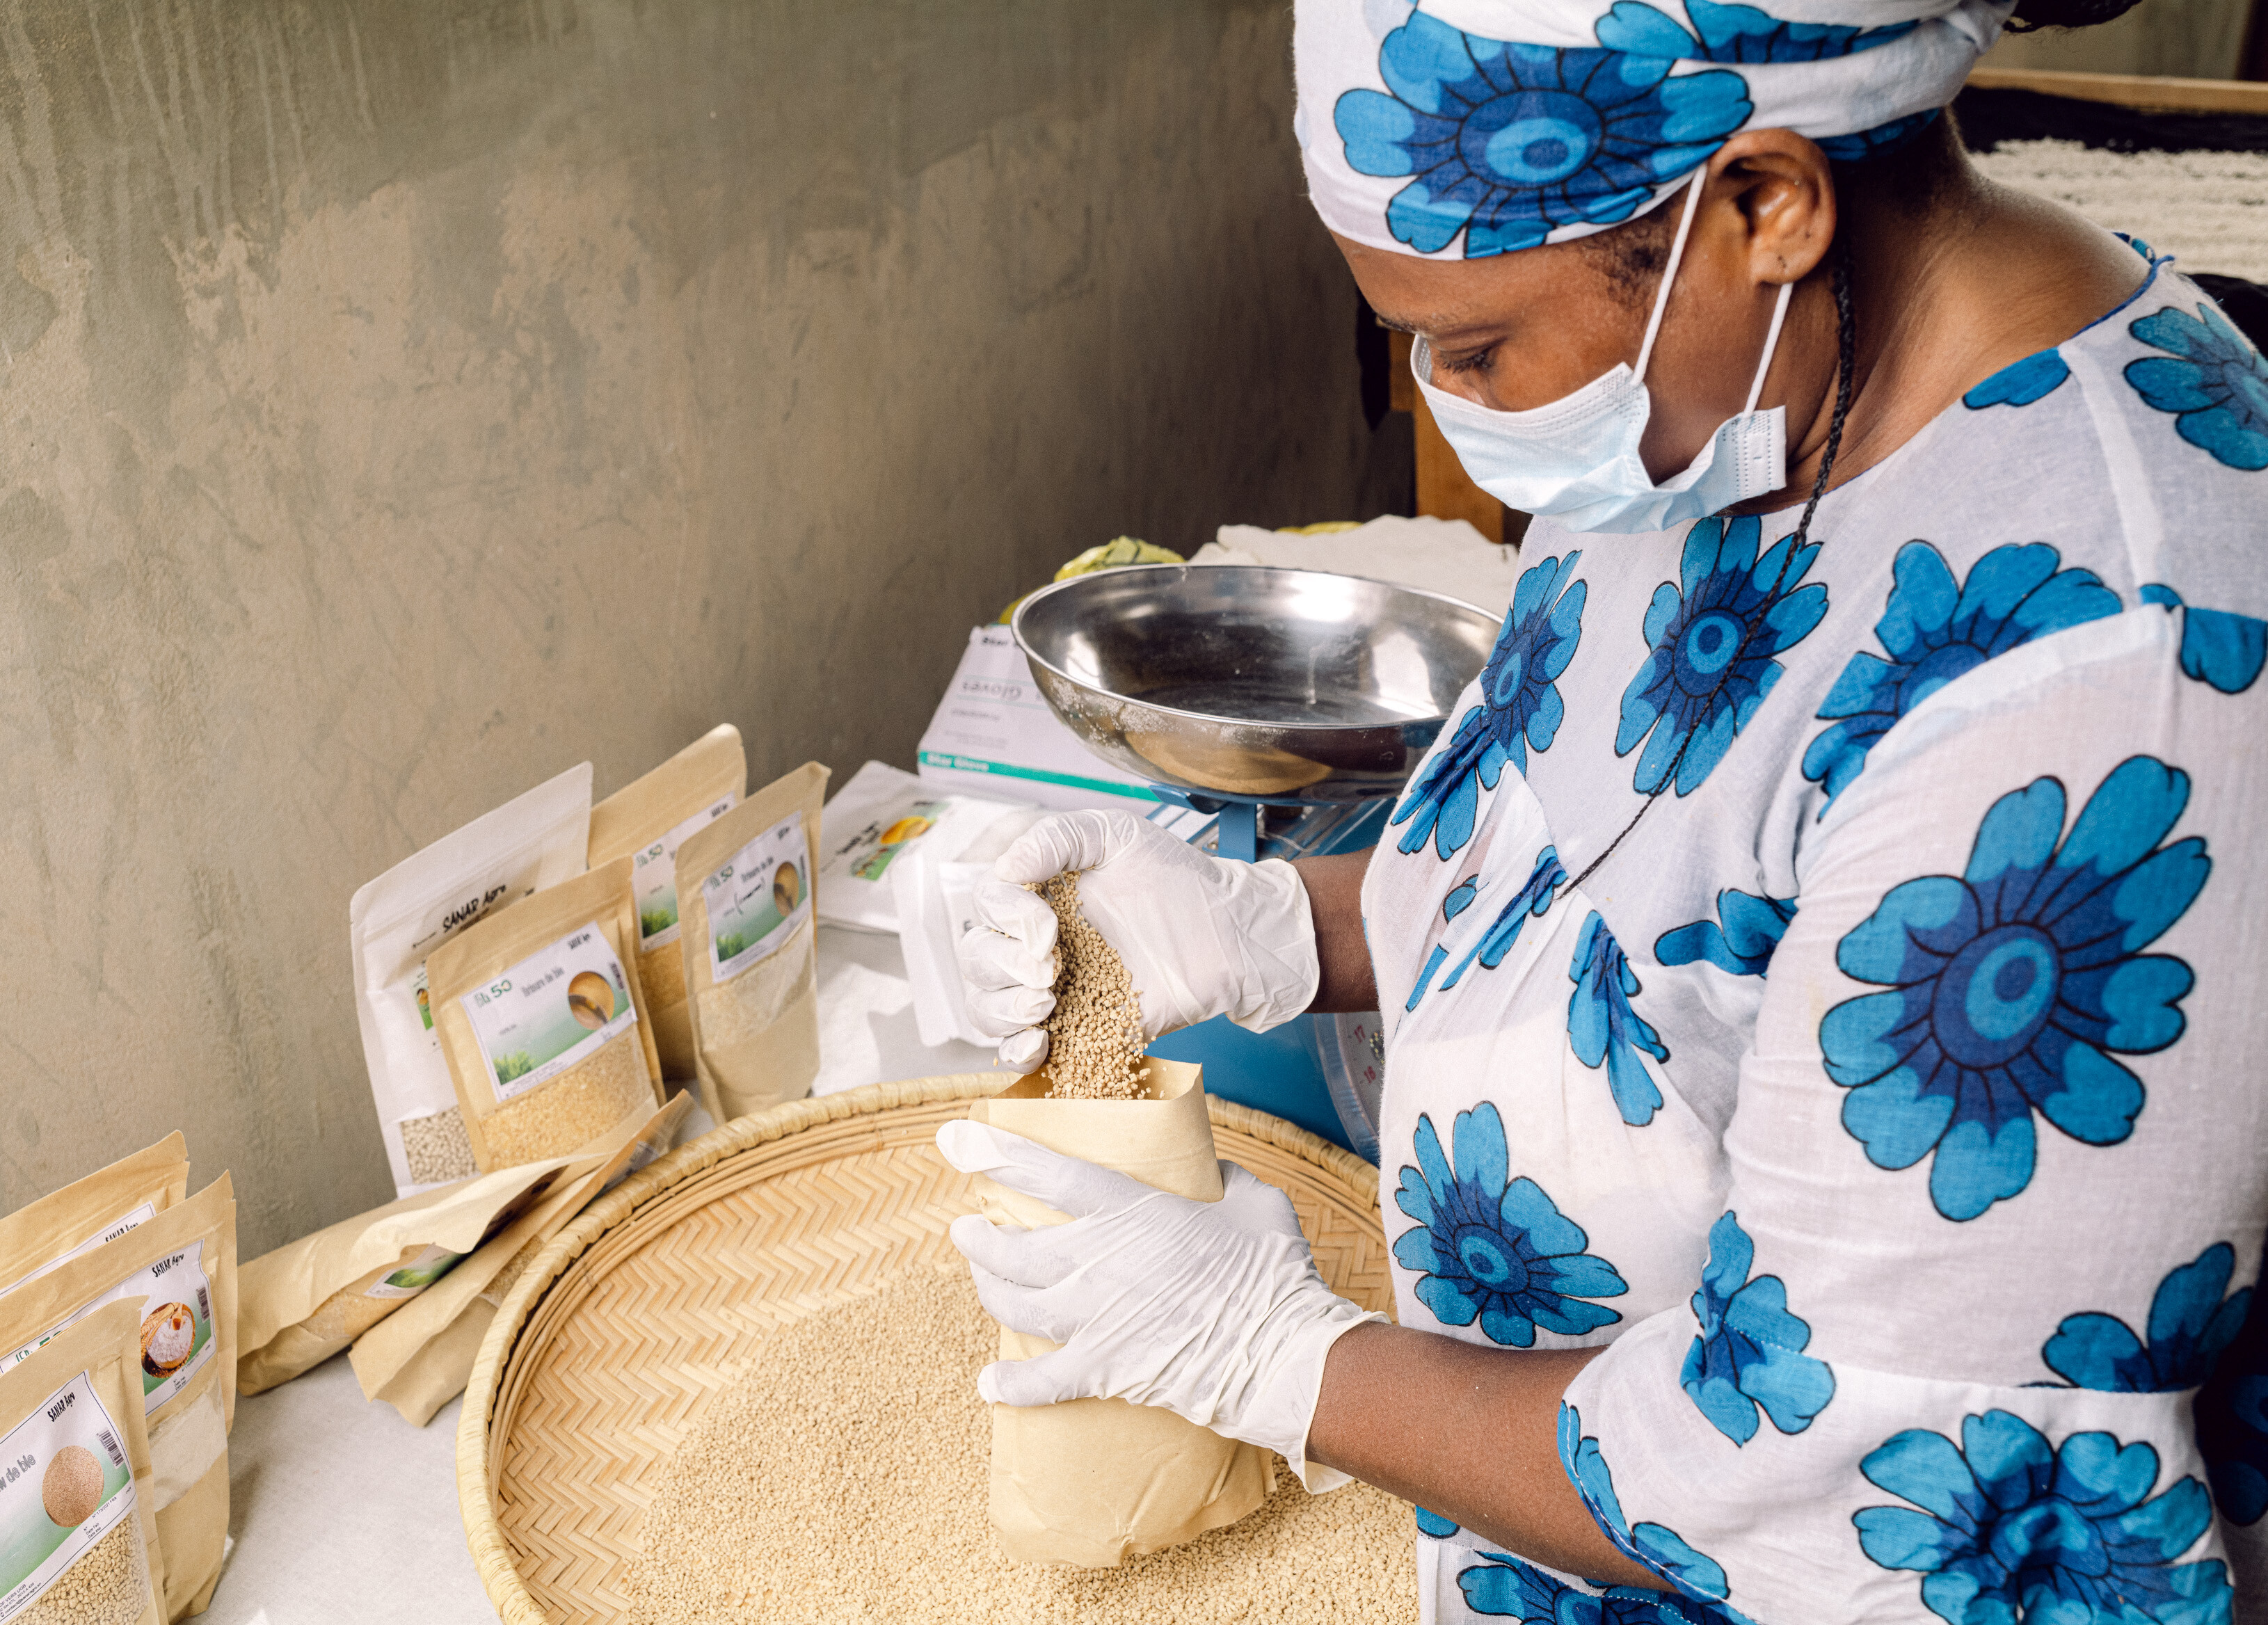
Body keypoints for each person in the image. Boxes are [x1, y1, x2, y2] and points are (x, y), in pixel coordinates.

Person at [939, 0, 2268, 1618]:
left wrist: (1279, 1359)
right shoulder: (1726, 411)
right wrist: (1278, 924)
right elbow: (1623, 867)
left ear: (1764, 205)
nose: (1451, 411)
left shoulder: (2099, 676)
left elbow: (1863, 1468)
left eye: (1478, 347)